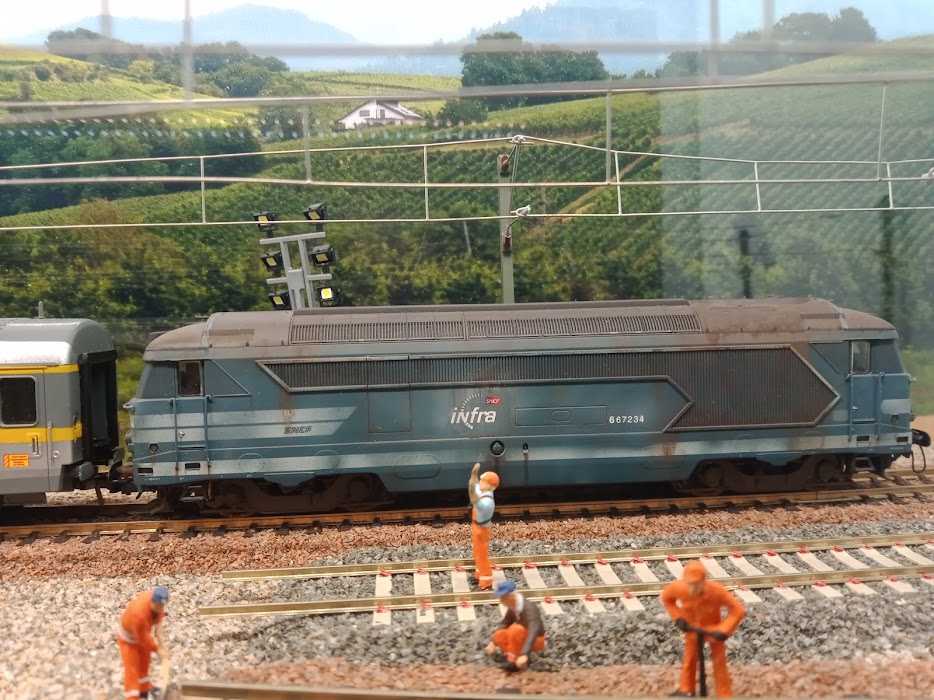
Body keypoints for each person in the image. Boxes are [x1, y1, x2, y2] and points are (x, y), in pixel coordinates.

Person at [660, 560, 746, 698]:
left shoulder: (716, 591)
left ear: (703, 581)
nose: (693, 588)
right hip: (693, 630)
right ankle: (687, 689)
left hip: (714, 630)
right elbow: (667, 599)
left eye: (696, 584)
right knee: (689, 660)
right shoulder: (678, 588)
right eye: (690, 584)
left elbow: (738, 610)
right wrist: (678, 617)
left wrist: (724, 630)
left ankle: (724, 694)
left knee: (719, 663)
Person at [116, 586, 170, 700]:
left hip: (141, 633)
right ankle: (132, 696)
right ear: (153, 602)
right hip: (128, 640)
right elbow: (143, 638)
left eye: (162, 606)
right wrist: (158, 650)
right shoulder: (139, 615)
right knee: (132, 669)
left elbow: (159, 613)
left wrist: (159, 624)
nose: (160, 608)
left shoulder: (156, 597)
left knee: (144, 661)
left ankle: (144, 690)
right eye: (158, 606)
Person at [485, 578, 546, 672]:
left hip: (535, 640)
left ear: (510, 596)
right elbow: (505, 623)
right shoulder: (513, 606)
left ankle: (514, 662)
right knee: (499, 635)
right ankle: (514, 656)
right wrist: (493, 642)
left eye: (502, 598)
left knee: (515, 630)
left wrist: (525, 653)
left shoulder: (529, 608)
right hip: (520, 637)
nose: (501, 600)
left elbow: (533, 632)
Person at [467, 462, 499, 590]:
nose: (480, 483)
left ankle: (486, 581)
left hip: (481, 530)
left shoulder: (488, 502)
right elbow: (474, 485)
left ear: (489, 485)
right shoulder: (483, 492)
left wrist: (471, 491)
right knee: (477, 553)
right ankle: (479, 575)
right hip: (477, 528)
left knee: (482, 555)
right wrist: (474, 475)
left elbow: (475, 501)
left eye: (482, 481)